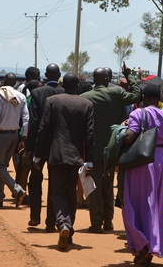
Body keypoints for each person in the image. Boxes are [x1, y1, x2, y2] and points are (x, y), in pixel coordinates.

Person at [33, 73, 94, 251]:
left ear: (62, 84)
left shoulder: (52, 101)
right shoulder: (87, 104)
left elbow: (43, 129)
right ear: (78, 85)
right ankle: (69, 230)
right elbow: (90, 135)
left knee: (57, 192)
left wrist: (38, 155)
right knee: (70, 193)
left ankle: (63, 224)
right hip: (76, 157)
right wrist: (89, 161)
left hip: (57, 155)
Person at [121, 84, 163, 265]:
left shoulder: (137, 114)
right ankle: (152, 245)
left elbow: (129, 137)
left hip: (139, 161)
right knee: (155, 205)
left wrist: (121, 130)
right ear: (160, 98)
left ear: (144, 97)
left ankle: (141, 243)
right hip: (160, 160)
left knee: (133, 202)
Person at [81, 65, 141, 233]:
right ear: (107, 80)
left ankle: (96, 223)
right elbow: (137, 95)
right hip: (114, 147)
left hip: (94, 148)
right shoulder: (116, 93)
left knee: (95, 185)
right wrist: (129, 77)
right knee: (108, 184)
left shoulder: (85, 97)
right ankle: (108, 220)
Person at [24, 63, 64, 231]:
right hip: (59, 145)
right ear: (59, 74)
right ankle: (51, 221)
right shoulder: (65, 93)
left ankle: (34, 216)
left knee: (35, 179)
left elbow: (32, 123)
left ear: (46, 75)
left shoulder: (37, 93)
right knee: (55, 184)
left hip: (39, 145)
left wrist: (29, 147)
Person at [0, 72, 29, 208]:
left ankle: (17, 190)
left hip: (2, 135)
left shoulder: (0, 95)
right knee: (2, 166)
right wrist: (23, 136)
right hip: (15, 135)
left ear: (4, 82)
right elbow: (26, 118)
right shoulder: (21, 96)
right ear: (15, 83)